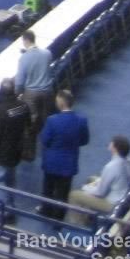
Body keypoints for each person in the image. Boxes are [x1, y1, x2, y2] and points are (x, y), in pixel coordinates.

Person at [39, 90, 90, 219]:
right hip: (69, 162)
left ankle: (46, 210)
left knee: (48, 189)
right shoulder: (81, 121)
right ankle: (59, 217)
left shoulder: (52, 120)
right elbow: (84, 140)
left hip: (51, 162)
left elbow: (45, 140)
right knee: (63, 192)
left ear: (61, 103)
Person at [67, 135, 130, 225]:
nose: (110, 144)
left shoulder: (111, 166)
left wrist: (86, 188)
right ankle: (88, 215)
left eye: (112, 143)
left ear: (115, 148)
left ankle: (77, 224)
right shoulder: (129, 161)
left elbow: (100, 193)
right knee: (91, 179)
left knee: (74, 195)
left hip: (113, 204)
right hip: (123, 196)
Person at [0, 79, 31, 196]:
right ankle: (10, 206)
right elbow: (29, 126)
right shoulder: (23, 106)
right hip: (16, 151)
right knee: (10, 180)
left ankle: (5, 210)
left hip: (1, 154)